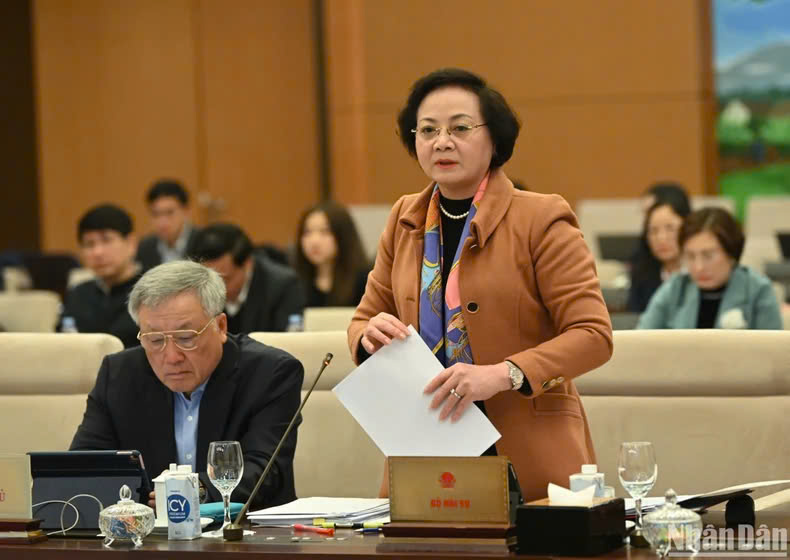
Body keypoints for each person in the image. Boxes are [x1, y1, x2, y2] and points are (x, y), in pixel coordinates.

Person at [347, 68, 613, 501]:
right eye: (428, 130)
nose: (442, 142)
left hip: (526, 448)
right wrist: (367, 336)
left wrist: (504, 373)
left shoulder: (541, 218)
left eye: (460, 128)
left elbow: (593, 336)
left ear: (495, 137)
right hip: (425, 441)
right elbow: (363, 320)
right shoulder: (403, 219)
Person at [70, 260, 304, 509]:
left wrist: (188, 491)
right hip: (148, 530)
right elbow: (84, 466)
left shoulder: (270, 373)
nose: (171, 357)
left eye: (185, 338)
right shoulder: (119, 374)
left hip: (243, 528)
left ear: (220, 326)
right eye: (155, 340)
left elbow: (264, 472)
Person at [637, 207, 782, 329]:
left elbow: (773, 351)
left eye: (708, 256)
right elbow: (642, 338)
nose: (698, 267)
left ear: (731, 253)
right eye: (690, 256)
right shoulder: (676, 287)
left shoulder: (757, 290)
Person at [188, 223, 306, 333]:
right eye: (209, 280)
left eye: (224, 280)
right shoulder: (195, 288)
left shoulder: (283, 286)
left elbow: (286, 341)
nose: (215, 288)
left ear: (248, 263)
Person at [58, 204, 141, 347]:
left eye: (106, 240)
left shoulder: (150, 293)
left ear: (131, 243)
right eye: (89, 244)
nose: (97, 252)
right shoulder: (78, 294)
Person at [293, 201, 370, 308]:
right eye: (307, 232)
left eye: (325, 231)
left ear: (343, 235)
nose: (314, 241)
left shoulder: (365, 281)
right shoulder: (294, 282)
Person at [626, 196, 691, 312]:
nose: (661, 238)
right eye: (654, 231)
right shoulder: (641, 275)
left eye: (670, 228)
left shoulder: (700, 273)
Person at [137, 180, 199, 272]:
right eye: (155, 214)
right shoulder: (144, 248)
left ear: (186, 211)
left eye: (169, 213)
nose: (162, 222)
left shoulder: (202, 242)